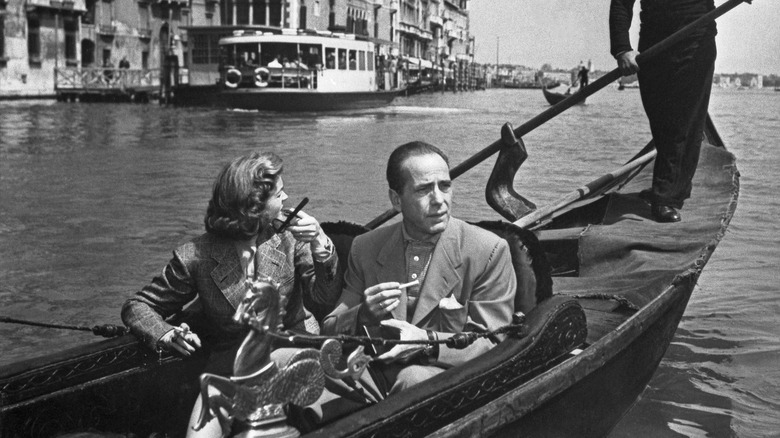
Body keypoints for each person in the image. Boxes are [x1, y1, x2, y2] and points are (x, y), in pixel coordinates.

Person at [121, 151, 341, 436]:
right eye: (280, 193)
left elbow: (324, 298)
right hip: (231, 367)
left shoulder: (289, 238)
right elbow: (138, 305)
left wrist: (320, 242)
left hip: (296, 351)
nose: (286, 199)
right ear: (254, 206)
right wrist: (166, 333)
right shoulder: (196, 256)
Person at [322, 141, 517, 397]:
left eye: (445, 186)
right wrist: (362, 315)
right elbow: (329, 330)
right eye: (424, 190)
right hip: (373, 374)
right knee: (300, 368)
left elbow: (493, 342)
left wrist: (426, 343)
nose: (439, 200)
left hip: (447, 374)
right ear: (396, 200)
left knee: (412, 378)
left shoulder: (489, 250)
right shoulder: (365, 247)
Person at [610, 0, 721, 222]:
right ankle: (671, 188)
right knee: (660, 123)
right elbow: (621, 3)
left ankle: (666, 197)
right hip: (653, 44)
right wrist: (621, 49)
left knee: (681, 123)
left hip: (696, 40)